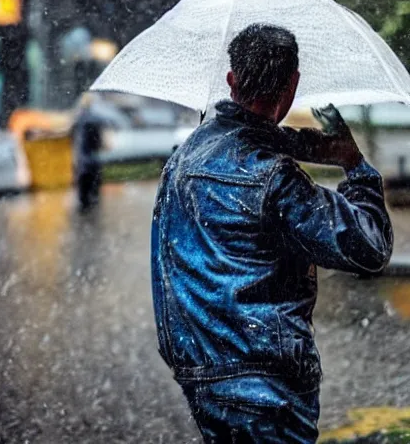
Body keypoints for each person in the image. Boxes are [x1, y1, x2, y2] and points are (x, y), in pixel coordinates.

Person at [150, 23, 393, 443]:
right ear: (293, 84)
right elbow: (369, 246)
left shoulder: (183, 158)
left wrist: (281, 141)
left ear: (231, 79)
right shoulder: (274, 178)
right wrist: (354, 165)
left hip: (201, 372)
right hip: (265, 383)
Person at [72, 95, 104, 211]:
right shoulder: (95, 119)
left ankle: (84, 221)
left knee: (83, 200)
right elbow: (100, 143)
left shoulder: (77, 119)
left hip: (81, 163)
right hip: (94, 162)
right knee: (94, 200)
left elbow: (74, 141)